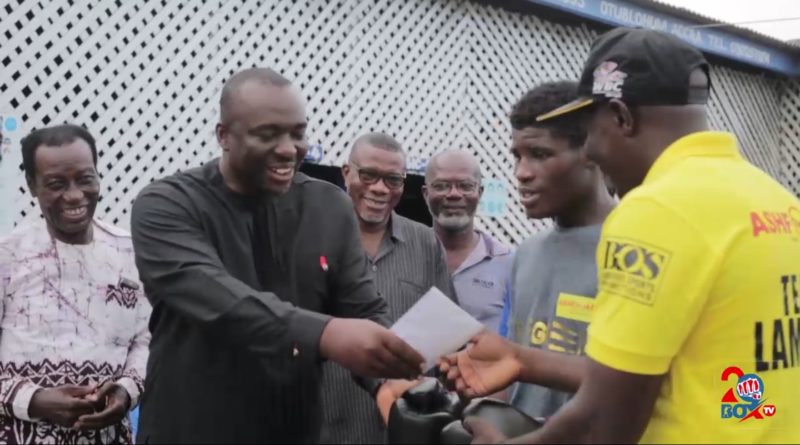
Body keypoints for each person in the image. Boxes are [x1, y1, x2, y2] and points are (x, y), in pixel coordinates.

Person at [441, 28, 800, 444]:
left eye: (592, 131)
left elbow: (603, 419)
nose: (592, 151)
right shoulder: (779, 203)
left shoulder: (656, 210)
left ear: (622, 118)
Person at [129, 68, 424, 444]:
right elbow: (222, 303)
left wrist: (389, 378)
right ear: (224, 135)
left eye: (298, 133)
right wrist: (326, 333)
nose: (288, 149)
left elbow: (362, 308)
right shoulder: (166, 205)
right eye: (267, 134)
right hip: (189, 430)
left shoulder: (329, 207)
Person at [0, 124, 151, 443]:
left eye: (85, 179)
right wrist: (35, 401)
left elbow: (146, 341)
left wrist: (126, 392)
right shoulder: (8, 257)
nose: (74, 195)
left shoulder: (130, 252)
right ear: (32, 186)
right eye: (56, 184)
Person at [320, 132, 456, 444]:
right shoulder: (315, 238)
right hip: (327, 426)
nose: (380, 188)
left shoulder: (426, 243)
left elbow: (443, 335)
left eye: (393, 179)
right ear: (347, 173)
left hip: (405, 428)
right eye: (368, 175)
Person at [423, 150, 514, 337]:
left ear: (480, 193)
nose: (454, 194)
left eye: (466, 186)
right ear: (426, 193)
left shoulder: (509, 264)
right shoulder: (403, 254)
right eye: (441, 186)